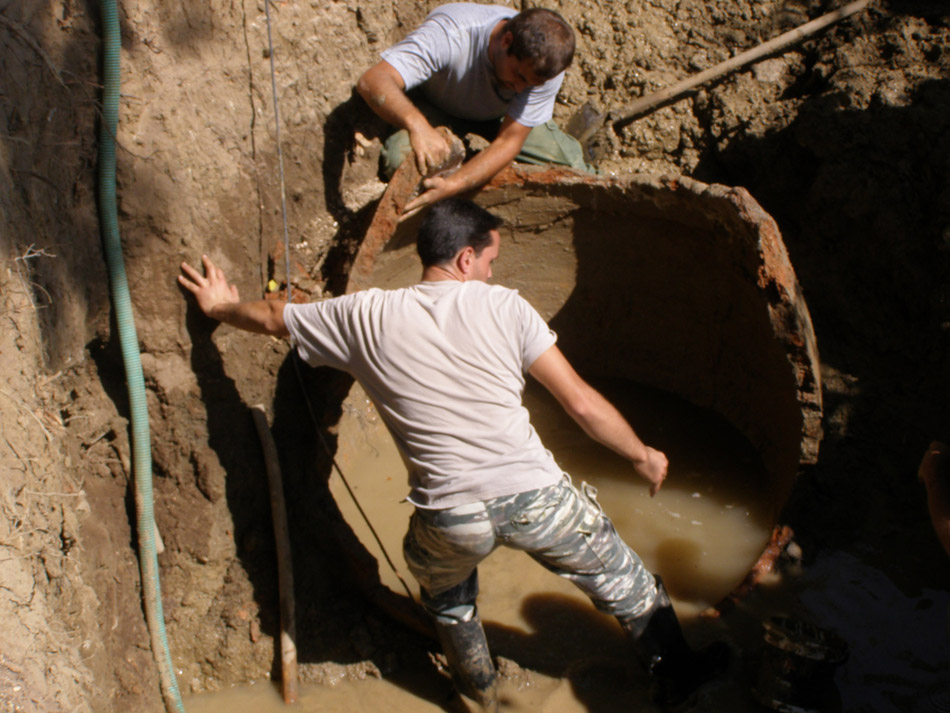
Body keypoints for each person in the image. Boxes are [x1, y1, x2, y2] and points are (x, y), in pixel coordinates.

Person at [178, 199, 727, 710]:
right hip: (536, 499)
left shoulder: (363, 314)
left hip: (448, 515)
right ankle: (679, 679)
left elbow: (275, 319)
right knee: (631, 588)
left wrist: (220, 305)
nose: (492, 271)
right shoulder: (505, 306)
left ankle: (478, 690)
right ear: (466, 257)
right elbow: (581, 405)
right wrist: (642, 456)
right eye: (490, 260)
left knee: (449, 600)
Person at [357, 4, 592, 220]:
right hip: (437, 107)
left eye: (531, 85)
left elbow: (509, 141)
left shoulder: (543, 68)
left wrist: (455, 184)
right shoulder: (452, 34)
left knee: (571, 168)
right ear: (506, 41)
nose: (521, 89)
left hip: (501, 116)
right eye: (519, 76)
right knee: (406, 164)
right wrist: (417, 125)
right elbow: (373, 80)